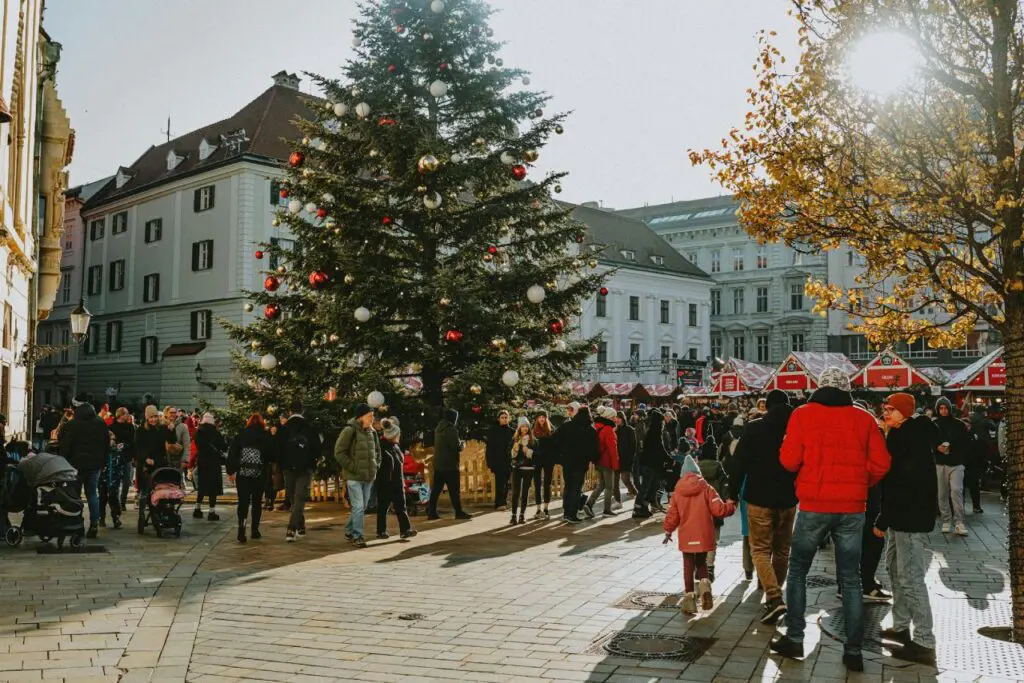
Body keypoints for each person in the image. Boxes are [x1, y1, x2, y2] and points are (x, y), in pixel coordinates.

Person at [770, 368, 891, 673]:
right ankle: (853, 651)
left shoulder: (802, 415)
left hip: (814, 505)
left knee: (797, 571)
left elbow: (787, 461)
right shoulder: (863, 418)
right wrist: (862, 482)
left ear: (819, 387)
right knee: (851, 579)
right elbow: (881, 463)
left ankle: (795, 637)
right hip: (852, 508)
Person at [875, 392, 938, 666]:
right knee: (893, 569)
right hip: (899, 517)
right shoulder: (899, 435)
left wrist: (882, 518)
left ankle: (924, 641)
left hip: (910, 517)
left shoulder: (910, 438)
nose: (886, 412)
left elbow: (902, 485)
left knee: (911, 577)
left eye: (891, 409)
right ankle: (901, 626)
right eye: (885, 408)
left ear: (904, 412)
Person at [728, 389, 797, 624]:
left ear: (766, 406)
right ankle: (773, 596)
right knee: (782, 550)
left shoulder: (755, 428)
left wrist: (732, 493)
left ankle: (775, 597)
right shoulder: (795, 428)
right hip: (788, 498)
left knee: (759, 549)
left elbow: (739, 463)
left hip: (759, 497)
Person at [663, 455, 736, 615]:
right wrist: (731, 506)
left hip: (687, 536)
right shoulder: (707, 488)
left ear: (683, 474)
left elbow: (672, 515)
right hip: (704, 534)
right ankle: (704, 587)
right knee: (702, 563)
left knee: (688, 566)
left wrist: (668, 530)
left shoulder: (677, 492)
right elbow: (719, 510)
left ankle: (689, 599)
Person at [59, 401, 111, 538]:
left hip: (75, 465)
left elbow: (65, 446)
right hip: (94, 465)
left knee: (74, 495)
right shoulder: (100, 423)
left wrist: (64, 461)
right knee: (92, 494)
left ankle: (77, 524)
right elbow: (107, 445)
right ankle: (94, 524)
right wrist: (103, 462)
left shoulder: (72, 424)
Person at [278, 401, 321, 542]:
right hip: (305, 468)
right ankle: (296, 527)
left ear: (289, 412)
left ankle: (293, 527)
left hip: (288, 469)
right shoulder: (309, 428)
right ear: (302, 411)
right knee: (300, 498)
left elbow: (276, 449)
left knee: (292, 497)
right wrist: (313, 463)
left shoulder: (283, 429)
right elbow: (317, 448)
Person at [227, 414, 273, 543]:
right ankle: (255, 530)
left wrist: (231, 471)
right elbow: (271, 455)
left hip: (243, 474)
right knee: (257, 502)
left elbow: (232, 454)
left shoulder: (241, 435)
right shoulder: (265, 436)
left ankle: (241, 529)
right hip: (259, 474)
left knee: (243, 502)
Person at [427, 408, 472, 520]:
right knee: (454, 490)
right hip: (450, 465)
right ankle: (459, 512)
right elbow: (455, 447)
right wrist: (462, 445)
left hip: (439, 464)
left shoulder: (439, 428)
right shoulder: (451, 429)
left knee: (436, 489)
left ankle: (431, 512)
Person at [933, 397, 969, 535]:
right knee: (942, 493)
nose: (943, 411)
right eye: (941, 408)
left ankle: (959, 522)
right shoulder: (934, 424)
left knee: (956, 491)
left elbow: (966, 443)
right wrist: (937, 448)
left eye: (945, 408)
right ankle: (946, 520)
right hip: (940, 462)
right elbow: (929, 441)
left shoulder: (959, 425)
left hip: (956, 463)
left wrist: (952, 448)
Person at [133, 406, 175, 525]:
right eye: (151, 417)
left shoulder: (161, 429)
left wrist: (171, 429)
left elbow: (172, 440)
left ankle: (161, 513)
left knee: (160, 489)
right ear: (147, 417)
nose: (154, 419)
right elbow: (137, 448)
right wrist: (145, 458)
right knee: (145, 491)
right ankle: (142, 514)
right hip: (146, 465)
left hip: (159, 465)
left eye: (155, 417)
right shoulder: (140, 431)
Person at [375, 417, 415, 540]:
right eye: (398, 434)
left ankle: (405, 530)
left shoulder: (396, 446)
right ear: (393, 435)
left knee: (401, 508)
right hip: (385, 483)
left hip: (398, 483)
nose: (400, 436)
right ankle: (381, 531)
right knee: (383, 508)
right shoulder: (382, 447)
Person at [557, 405, 597, 524]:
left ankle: (566, 512)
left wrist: (561, 456)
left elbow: (557, 441)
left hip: (567, 462)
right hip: (581, 463)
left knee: (568, 486)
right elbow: (594, 449)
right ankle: (572, 514)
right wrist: (591, 458)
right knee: (576, 488)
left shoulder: (567, 426)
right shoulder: (590, 430)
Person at [696, 435, 728, 583]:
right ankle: (709, 566)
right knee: (713, 539)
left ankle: (699, 565)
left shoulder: (697, 467)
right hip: (714, 507)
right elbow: (725, 486)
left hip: (699, 508)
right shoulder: (718, 466)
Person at [99, 407, 135, 528]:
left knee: (118, 487)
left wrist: (124, 446)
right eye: (126, 414)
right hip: (108, 465)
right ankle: (102, 517)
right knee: (104, 492)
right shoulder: (110, 428)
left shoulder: (130, 427)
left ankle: (116, 515)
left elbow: (132, 442)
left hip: (122, 460)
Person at [583, 406, 619, 519]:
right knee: (609, 486)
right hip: (607, 462)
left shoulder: (598, 427)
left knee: (601, 485)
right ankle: (607, 510)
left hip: (598, 460)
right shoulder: (608, 429)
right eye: (614, 416)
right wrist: (616, 464)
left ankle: (589, 504)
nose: (615, 419)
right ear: (609, 417)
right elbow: (612, 449)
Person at [192, 413, 227, 521]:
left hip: (202, 461)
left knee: (202, 485)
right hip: (214, 462)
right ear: (212, 421)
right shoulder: (215, 432)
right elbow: (224, 447)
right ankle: (211, 512)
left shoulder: (198, 431)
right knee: (213, 487)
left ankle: (197, 509)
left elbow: (198, 445)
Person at [635, 410, 668, 518]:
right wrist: (670, 459)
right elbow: (660, 449)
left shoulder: (651, 431)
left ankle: (643, 507)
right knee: (646, 487)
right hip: (650, 465)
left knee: (650, 486)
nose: (663, 424)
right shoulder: (655, 433)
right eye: (662, 422)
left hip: (648, 464)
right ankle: (638, 508)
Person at [966, 405, 995, 514]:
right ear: (983, 412)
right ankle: (976, 506)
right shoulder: (984, 420)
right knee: (976, 479)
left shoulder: (969, 419)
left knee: (965, 483)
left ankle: (961, 505)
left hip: (968, 455)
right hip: (981, 451)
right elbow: (993, 427)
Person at [484, 411, 514, 511]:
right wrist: (490, 462)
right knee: (500, 483)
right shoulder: (493, 431)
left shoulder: (512, 431)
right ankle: (499, 503)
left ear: (509, 418)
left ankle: (504, 502)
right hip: (498, 461)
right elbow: (489, 448)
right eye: (502, 417)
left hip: (509, 461)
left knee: (506, 483)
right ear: (498, 419)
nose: (504, 419)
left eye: (506, 417)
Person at [509, 417, 536, 525]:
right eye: (522, 426)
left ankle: (522, 515)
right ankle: (513, 515)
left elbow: (537, 455)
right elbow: (511, 456)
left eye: (526, 426)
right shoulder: (515, 439)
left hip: (528, 469)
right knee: (515, 492)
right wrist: (514, 450)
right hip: (517, 469)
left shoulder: (533, 440)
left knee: (525, 493)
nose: (524, 428)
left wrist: (528, 451)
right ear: (519, 428)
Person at [531, 411, 556, 519]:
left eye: (543, 417)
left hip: (548, 461)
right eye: (539, 417)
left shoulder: (551, 431)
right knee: (537, 484)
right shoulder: (533, 431)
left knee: (547, 483)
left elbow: (555, 445)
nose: (541, 419)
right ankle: (538, 509)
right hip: (536, 460)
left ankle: (546, 508)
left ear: (546, 418)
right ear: (536, 419)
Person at [614, 411, 638, 505]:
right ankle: (617, 500)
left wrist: (631, 458)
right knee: (615, 482)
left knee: (625, 479)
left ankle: (633, 491)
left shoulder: (630, 430)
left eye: (619, 418)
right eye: (616, 418)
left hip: (626, 459)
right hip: (616, 458)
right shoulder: (614, 430)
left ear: (623, 419)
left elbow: (633, 445)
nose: (617, 420)